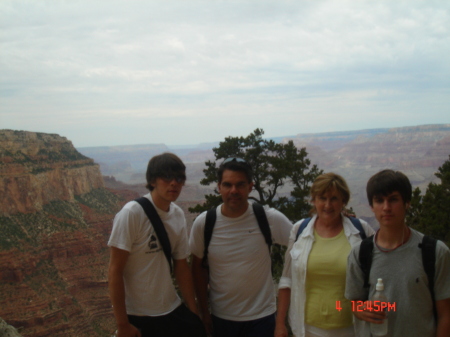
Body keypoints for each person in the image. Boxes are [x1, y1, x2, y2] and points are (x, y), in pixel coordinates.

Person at [189, 157, 293, 337]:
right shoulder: (204, 223)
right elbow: (197, 269)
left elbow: (303, 239)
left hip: (263, 317)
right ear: (219, 186)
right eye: (228, 184)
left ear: (250, 186)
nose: (234, 191)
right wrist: (204, 313)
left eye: (240, 185)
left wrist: (338, 220)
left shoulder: (268, 218)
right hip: (221, 318)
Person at [108, 153, 206, 337]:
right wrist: (122, 325)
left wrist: (193, 314)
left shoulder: (177, 215)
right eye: (167, 177)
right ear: (152, 181)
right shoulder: (132, 214)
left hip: (172, 309)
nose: (174, 183)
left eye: (179, 178)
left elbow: (181, 266)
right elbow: (115, 271)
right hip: (138, 315)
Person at [345, 169, 450, 337]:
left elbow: (446, 314)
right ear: (371, 206)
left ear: (407, 203)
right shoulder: (360, 254)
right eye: (379, 201)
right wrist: (360, 310)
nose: (386, 208)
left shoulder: (435, 252)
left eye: (393, 199)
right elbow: (354, 302)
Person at [275, 172, 374, 337]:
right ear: (314, 200)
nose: (328, 205)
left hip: (351, 328)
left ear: (343, 201)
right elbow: (287, 280)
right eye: (322, 198)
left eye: (334, 198)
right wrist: (280, 324)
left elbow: (379, 275)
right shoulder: (299, 231)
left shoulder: (361, 231)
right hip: (307, 329)